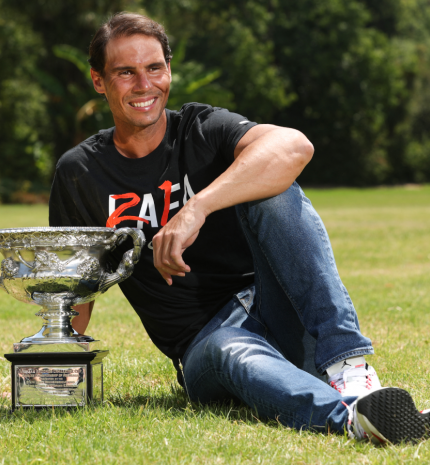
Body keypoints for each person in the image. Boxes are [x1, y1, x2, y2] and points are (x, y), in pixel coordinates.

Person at [49, 12, 428, 444]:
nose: (143, 84)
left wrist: (197, 208)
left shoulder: (200, 128)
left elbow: (295, 146)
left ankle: (350, 370)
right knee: (230, 348)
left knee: (272, 187)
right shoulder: (81, 172)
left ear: (169, 69)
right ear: (98, 81)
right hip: (205, 345)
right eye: (125, 72)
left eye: (154, 68)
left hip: (277, 312)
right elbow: (74, 290)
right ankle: (354, 418)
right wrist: (57, 377)